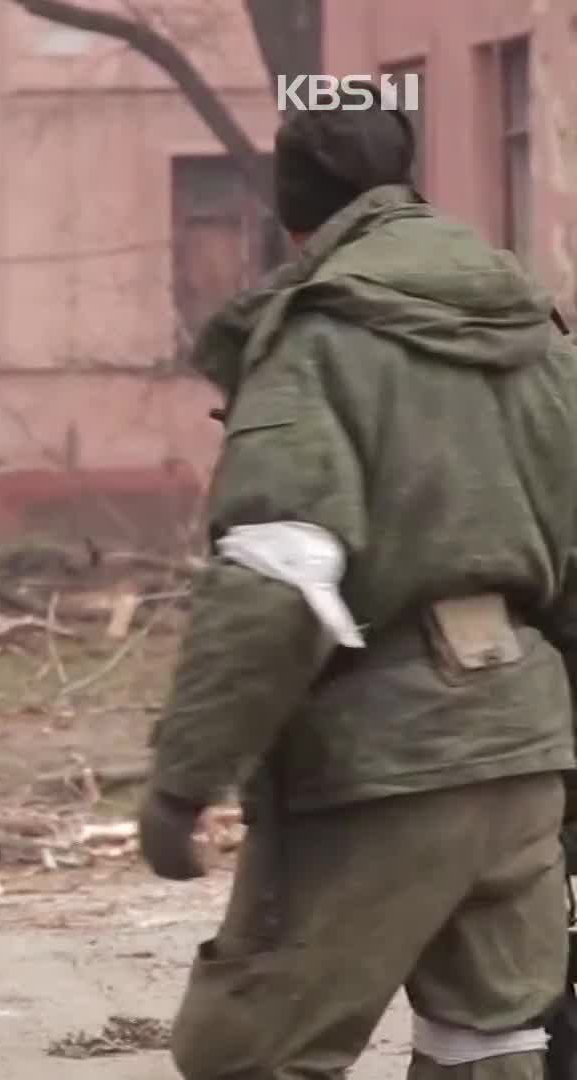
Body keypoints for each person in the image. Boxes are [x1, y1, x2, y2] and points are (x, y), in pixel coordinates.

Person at [137, 103, 577, 1078]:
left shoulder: (319, 338)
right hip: (523, 751)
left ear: (292, 212)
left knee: (248, 1050)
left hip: (384, 755)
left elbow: (277, 575)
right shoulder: (535, 332)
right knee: (491, 1044)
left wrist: (183, 780)